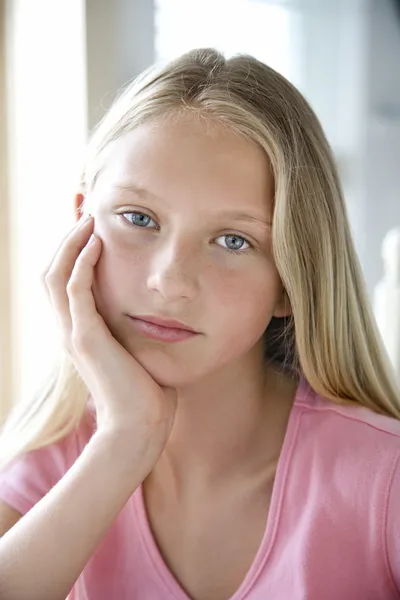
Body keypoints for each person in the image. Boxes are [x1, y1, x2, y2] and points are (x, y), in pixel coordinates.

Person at [0, 48, 399, 600]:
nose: (172, 281)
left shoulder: (384, 479)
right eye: (139, 219)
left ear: (290, 279)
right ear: (80, 229)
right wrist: (125, 439)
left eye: (233, 241)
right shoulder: (52, 463)